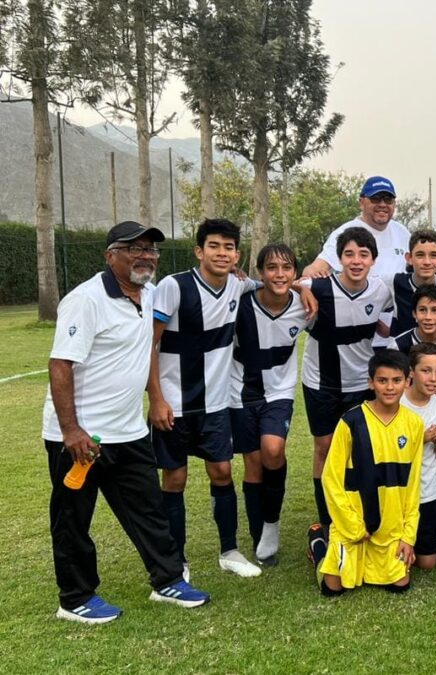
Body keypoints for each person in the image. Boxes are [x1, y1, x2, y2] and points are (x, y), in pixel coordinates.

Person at [43, 221, 210, 624]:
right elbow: (60, 364)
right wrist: (72, 431)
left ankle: (167, 579)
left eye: (151, 250)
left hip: (129, 432)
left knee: (148, 509)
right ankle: (75, 598)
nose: (145, 256)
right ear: (110, 255)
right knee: (73, 518)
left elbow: (148, 348)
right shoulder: (86, 300)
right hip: (81, 439)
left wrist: (156, 396)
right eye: (134, 248)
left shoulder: (149, 293)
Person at [149, 218, 263, 580]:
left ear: (237, 254)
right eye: (214, 245)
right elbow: (149, 344)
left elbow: (278, 283)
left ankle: (229, 550)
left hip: (214, 405)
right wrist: (155, 399)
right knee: (175, 479)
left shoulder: (237, 285)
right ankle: (177, 560)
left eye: (228, 247)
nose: (221, 253)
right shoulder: (173, 286)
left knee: (222, 471)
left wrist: (305, 286)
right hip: (174, 404)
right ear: (199, 250)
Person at [301, 227, 394, 538]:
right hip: (321, 382)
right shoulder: (319, 287)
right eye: (349, 254)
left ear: (373, 260)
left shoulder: (381, 290)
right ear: (339, 259)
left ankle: (359, 512)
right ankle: (327, 518)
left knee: (359, 449)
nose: (356, 261)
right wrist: (301, 286)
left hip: (359, 383)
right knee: (325, 447)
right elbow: (282, 282)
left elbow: (391, 314)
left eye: (363, 255)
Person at [312, 350, 425, 595]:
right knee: (332, 589)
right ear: (370, 383)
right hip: (353, 524)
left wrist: (408, 536)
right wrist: (352, 525)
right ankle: (319, 547)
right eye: (382, 380)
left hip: (391, 527)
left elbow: (414, 484)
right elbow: (330, 479)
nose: (389, 387)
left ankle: (382, 555)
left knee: (400, 586)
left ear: (408, 382)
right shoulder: (351, 421)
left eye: (396, 380)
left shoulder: (414, 424)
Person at [302, 177, 436, 348]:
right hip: (360, 334)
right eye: (375, 199)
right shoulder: (346, 232)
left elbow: (420, 263)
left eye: (388, 199)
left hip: (395, 335)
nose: (382, 204)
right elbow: (313, 270)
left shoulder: (401, 232)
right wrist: (305, 288)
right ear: (362, 202)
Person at [229, 243, 311, 566]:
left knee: (273, 450)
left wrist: (308, 288)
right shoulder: (241, 302)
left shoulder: (304, 306)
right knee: (252, 462)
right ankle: (257, 533)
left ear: (294, 273)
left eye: (287, 268)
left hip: (279, 392)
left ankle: (272, 524)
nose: (279, 274)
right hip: (240, 392)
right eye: (272, 268)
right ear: (260, 273)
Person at [399, 343, 436, 570]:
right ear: (411, 371)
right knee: (399, 564)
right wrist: (420, 438)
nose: (433, 378)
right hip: (398, 491)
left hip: (429, 490)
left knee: (427, 564)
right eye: (426, 370)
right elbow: (387, 450)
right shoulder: (396, 401)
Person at [387, 229, 436, 337]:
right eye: (420, 255)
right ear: (409, 258)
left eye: (433, 255)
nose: (427, 262)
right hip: (403, 352)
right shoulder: (394, 282)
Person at [388, 285, 436, 352]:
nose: (428, 317)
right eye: (422, 310)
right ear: (414, 313)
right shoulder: (397, 346)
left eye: (435, 310)